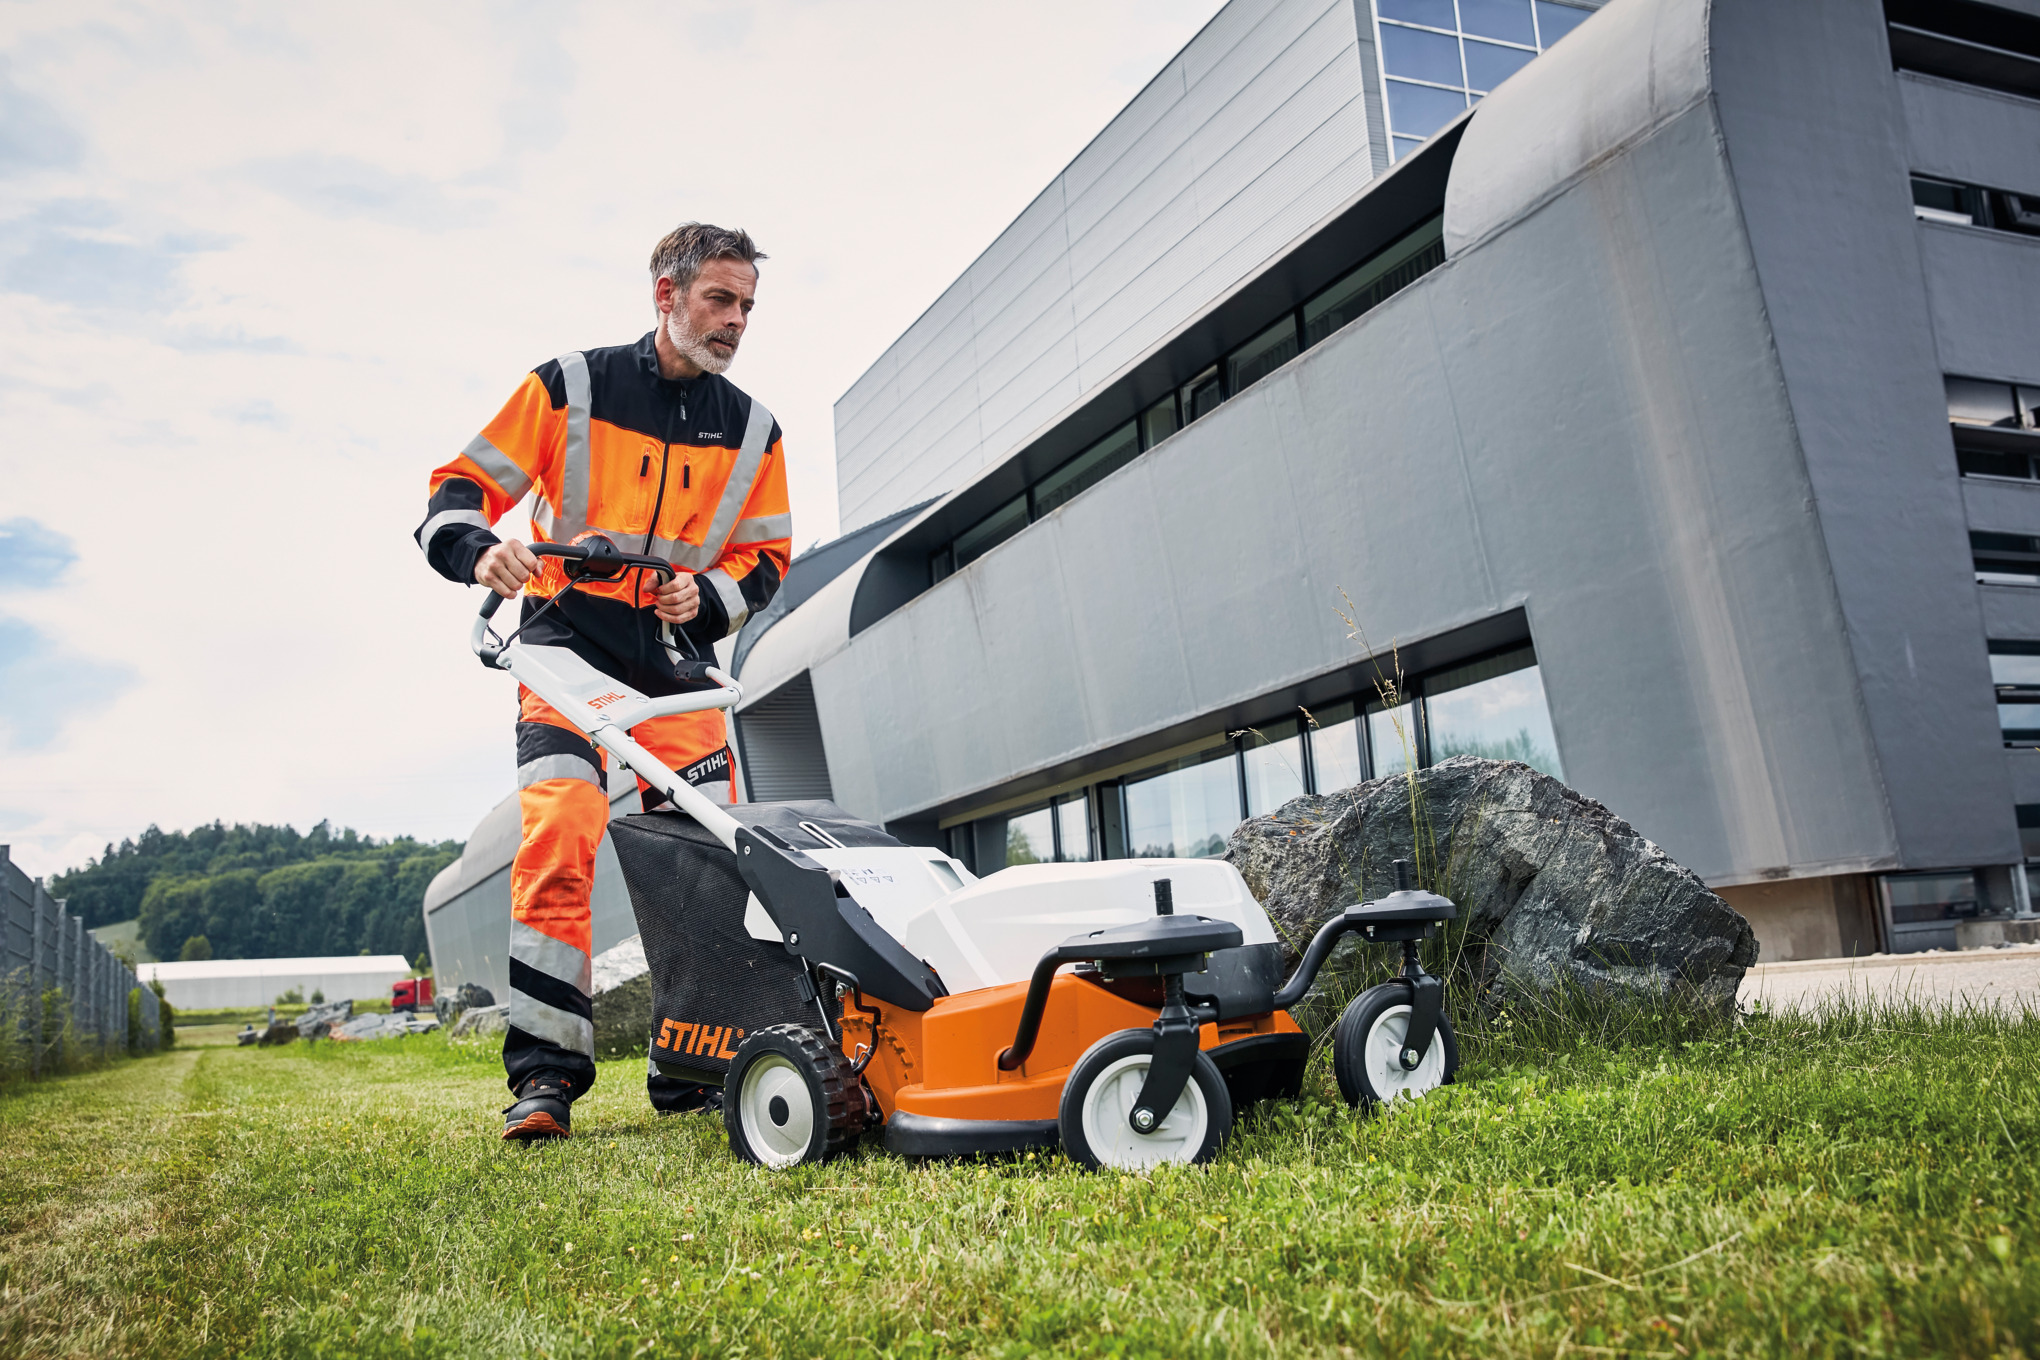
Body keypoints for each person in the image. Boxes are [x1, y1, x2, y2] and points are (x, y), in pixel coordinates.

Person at [416, 223, 791, 1141]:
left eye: (746, 304)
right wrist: (482, 553)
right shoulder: (569, 388)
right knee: (561, 831)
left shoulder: (755, 431)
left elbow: (768, 560)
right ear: (666, 296)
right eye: (719, 298)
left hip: (672, 670)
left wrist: (701, 595)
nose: (735, 320)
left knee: (705, 859)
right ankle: (544, 1079)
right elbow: (453, 493)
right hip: (563, 652)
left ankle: (692, 1063)